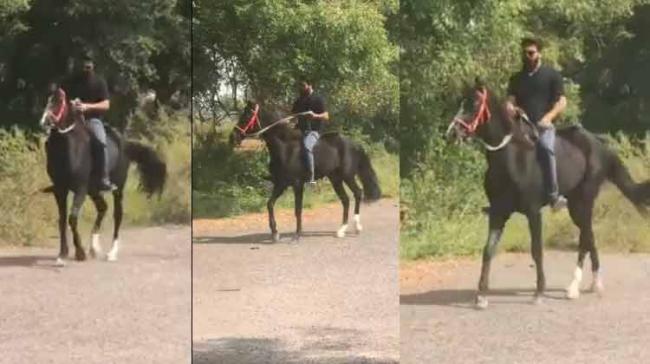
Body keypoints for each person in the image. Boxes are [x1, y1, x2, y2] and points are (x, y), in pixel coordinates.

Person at [506, 37, 568, 210]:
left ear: (539, 53)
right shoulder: (516, 78)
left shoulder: (552, 75)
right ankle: (503, 197)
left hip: (543, 126)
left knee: (546, 148)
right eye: (524, 53)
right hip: (521, 126)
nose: (526, 56)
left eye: (530, 52)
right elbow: (510, 100)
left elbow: (562, 102)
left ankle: (554, 197)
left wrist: (548, 118)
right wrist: (511, 107)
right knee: (503, 149)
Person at [65, 55, 116, 191]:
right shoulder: (72, 81)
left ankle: (103, 178)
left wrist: (87, 107)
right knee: (55, 139)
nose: (86, 67)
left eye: (89, 64)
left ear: (93, 65)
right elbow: (63, 98)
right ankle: (59, 177)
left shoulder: (100, 82)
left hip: (92, 119)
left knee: (100, 143)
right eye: (84, 64)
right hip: (72, 119)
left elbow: (106, 105)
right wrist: (71, 104)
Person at [291, 79, 330, 184]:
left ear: (310, 85)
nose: (301, 88)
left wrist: (315, 116)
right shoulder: (298, 101)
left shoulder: (318, 99)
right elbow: (292, 116)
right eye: (299, 86)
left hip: (314, 131)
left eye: (303, 85)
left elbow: (326, 116)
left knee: (306, 146)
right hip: (299, 130)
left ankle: (310, 178)